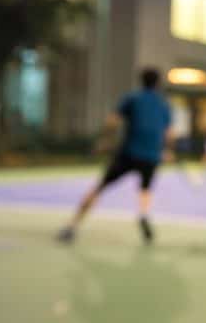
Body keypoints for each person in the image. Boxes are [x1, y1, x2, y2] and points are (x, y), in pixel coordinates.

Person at [57, 68, 172, 245]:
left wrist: (105, 140)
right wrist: (167, 149)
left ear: (141, 81)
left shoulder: (132, 98)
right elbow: (169, 133)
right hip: (151, 156)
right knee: (145, 190)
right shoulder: (164, 105)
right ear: (158, 83)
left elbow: (112, 121)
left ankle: (72, 226)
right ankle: (143, 215)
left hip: (129, 153)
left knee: (99, 187)